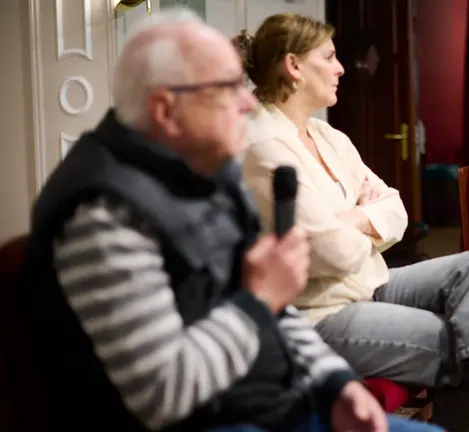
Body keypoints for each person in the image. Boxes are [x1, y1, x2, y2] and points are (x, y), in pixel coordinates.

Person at [18, 8, 441, 432]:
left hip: (272, 402)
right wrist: (259, 300)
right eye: (227, 89)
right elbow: (163, 394)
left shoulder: (209, 175)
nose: (248, 102)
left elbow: (279, 314)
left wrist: (336, 383)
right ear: (166, 110)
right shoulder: (104, 213)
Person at [236, 13, 469, 432]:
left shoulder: (328, 136)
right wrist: (365, 225)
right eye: (329, 57)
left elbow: (396, 209)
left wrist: (350, 220)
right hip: (319, 315)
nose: (341, 68)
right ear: (293, 66)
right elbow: (331, 251)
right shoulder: (262, 145)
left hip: (368, 284)